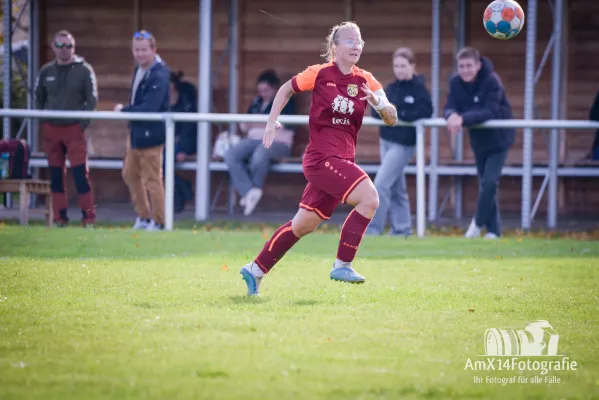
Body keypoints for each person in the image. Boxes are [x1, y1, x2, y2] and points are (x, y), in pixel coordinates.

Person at [238, 21, 398, 296]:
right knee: (370, 199)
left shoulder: (366, 80)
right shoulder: (320, 73)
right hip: (321, 159)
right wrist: (271, 121)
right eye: (349, 41)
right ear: (334, 47)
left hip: (341, 162)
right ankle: (343, 264)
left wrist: (379, 104)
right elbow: (286, 89)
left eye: (359, 41)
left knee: (302, 225)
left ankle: (255, 269)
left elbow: (392, 118)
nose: (356, 46)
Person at [443, 47, 515, 239]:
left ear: (478, 65)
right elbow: (450, 106)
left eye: (469, 65)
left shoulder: (492, 81)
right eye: (461, 66)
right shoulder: (456, 82)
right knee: (485, 184)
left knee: (490, 182)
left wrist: (462, 119)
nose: (465, 70)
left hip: (499, 139)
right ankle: (494, 231)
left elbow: (489, 111)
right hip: (478, 139)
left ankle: (476, 225)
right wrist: (451, 115)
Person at [366, 47, 433, 236]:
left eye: (403, 65)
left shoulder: (420, 89)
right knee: (396, 188)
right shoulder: (391, 89)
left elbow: (425, 111)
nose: (399, 69)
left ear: (412, 66)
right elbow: (375, 110)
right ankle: (402, 229)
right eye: (396, 66)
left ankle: (372, 229)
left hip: (403, 145)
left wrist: (399, 113)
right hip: (385, 141)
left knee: (380, 185)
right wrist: (389, 112)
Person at [35, 30, 98, 228]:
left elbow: (92, 100)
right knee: (55, 175)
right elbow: (38, 99)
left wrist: (81, 125)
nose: (65, 50)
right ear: (53, 47)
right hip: (52, 130)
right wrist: (44, 122)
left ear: (74, 47)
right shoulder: (46, 71)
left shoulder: (84, 70)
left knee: (81, 175)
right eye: (60, 46)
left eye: (69, 46)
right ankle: (60, 219)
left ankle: (88, 218)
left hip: (74, 129)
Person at [115, 30, 170, 231]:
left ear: (153, 50)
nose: (140, 54)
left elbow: (150, 107)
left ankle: (159, 221)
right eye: (137, 50)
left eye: (144, 50)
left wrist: (123, 111)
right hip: (136, 132)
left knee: (152, 179)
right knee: (129, 174)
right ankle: (144, 217)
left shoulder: (160, 73)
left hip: (152, 135)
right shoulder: (139, 69)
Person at [224, 69, 297, 216]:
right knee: (231, 154)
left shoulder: (286, 100)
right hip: (254, 140)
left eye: (266, 90)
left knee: (260, 153)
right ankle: (250, 191)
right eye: (260, 90)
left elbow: (280, 125)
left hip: (278, 142)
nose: (262, 94)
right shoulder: (256, 102)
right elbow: (244, 125)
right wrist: (262, 123)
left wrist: (257, 123)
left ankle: (251, 193)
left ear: (275, 88)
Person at [168, 70, 196, 212]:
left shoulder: (185, 101)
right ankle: (184, 188)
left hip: (183, 143)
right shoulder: (161, 100)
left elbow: (189, 128)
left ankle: (179, 197)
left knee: (163, 161)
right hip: (165, 143)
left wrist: (184, 149)